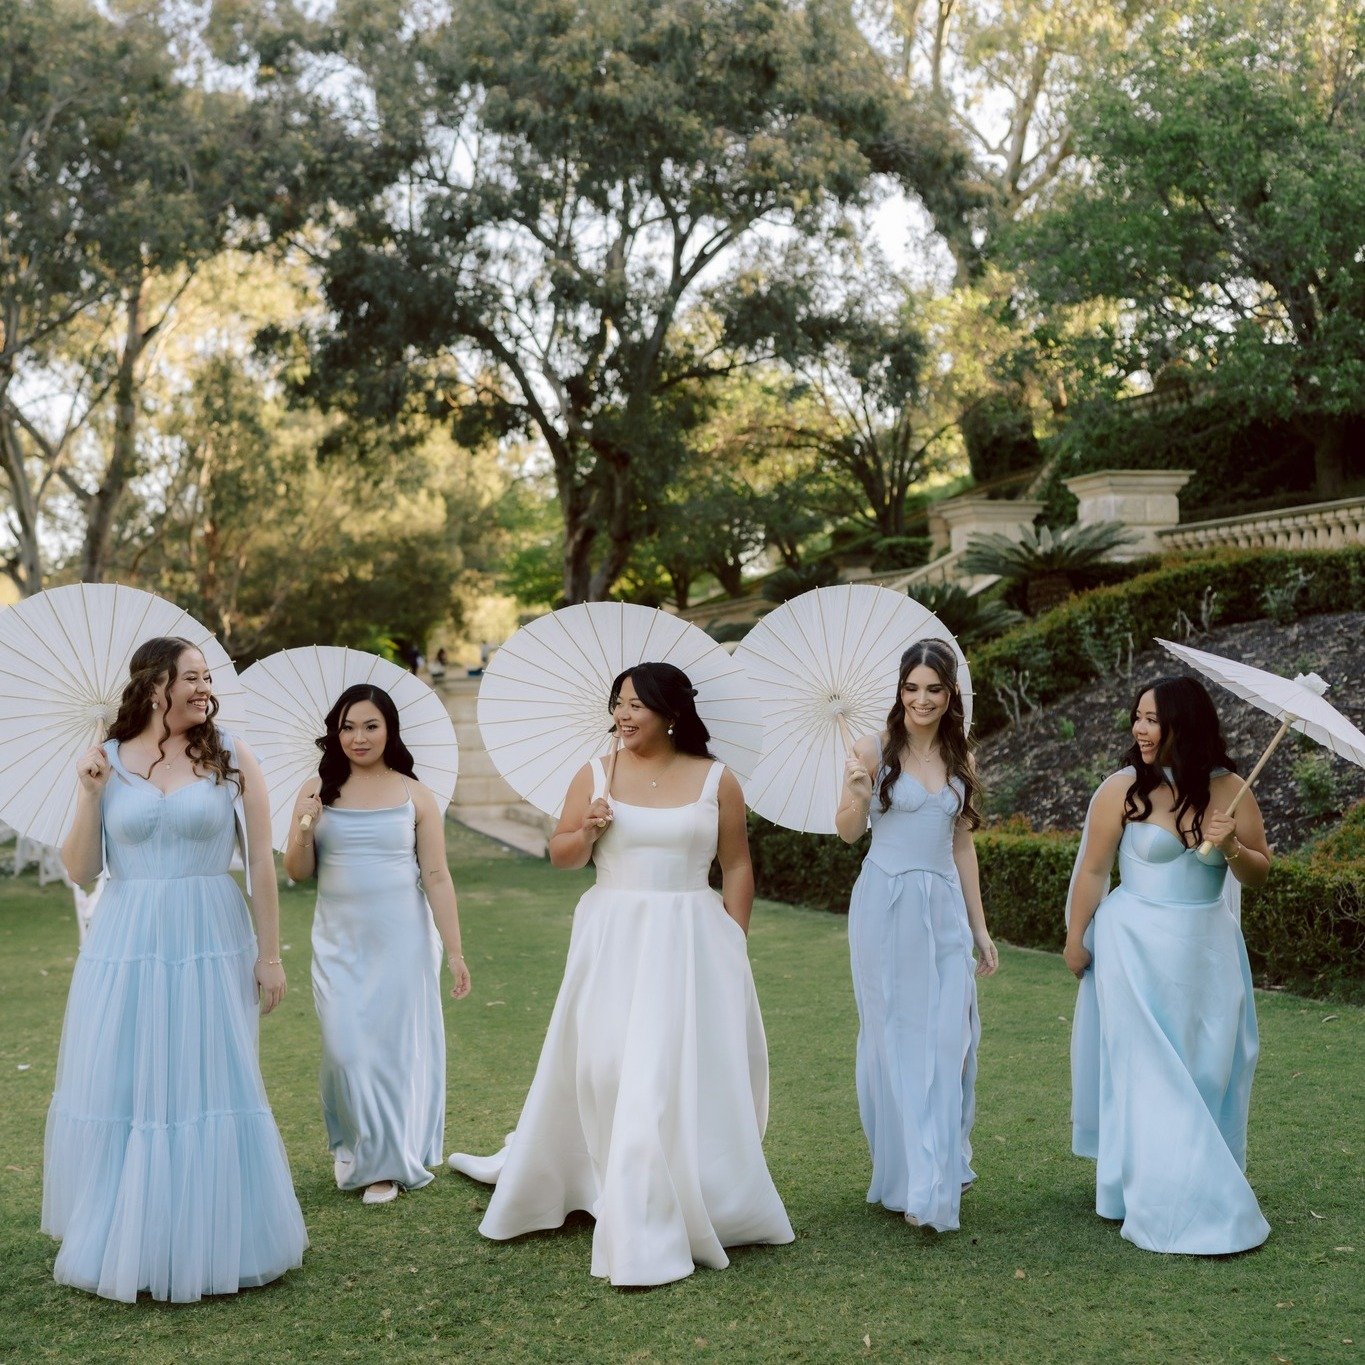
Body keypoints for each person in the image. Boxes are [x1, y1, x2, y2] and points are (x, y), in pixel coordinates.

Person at [448, 662, 793, 1286]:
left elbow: (737, 867)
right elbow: (561, 856)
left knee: (663, 1073)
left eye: (636, 704)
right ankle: (592, 1177)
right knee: (601, 1064)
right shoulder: (594, 774)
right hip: (612, 936)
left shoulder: (718, 779)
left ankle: (660, 1207)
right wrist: (589, 827)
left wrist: (732, 942)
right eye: (619, 704)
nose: (624, 716)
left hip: (690, 940)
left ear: (671, 712)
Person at [44, 637, 307, 1302]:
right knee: (130, 1083)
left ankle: (220, 1237)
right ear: (155, 684)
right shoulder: (102, 760)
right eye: (191, 675)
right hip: (127, 940)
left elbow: (260, 869)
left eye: (206, 676)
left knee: (209, 1078)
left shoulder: (230, 756)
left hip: (211, 938)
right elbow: (80, 870)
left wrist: (269, 954)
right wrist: (88, 795)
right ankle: (128, 1233)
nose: (203, 686)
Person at [1064, 675, 1271, 1254]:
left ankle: (1195, 1173)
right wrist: (1076, 936)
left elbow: (1258, 872)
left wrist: (1229, 845)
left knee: (1205, 1069)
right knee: (1147, 1071)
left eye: (1153, 719)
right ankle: (1149, 1191)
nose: (1140, 729)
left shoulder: (1231, 789)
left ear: (1186, 722)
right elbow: (1093, 871)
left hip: (1206, 952)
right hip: (1131, 949)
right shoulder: (1121, 790)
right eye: (1138, 718)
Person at [283, 684, 471, 1206]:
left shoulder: (415, 794)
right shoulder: (316, 789)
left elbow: (436, 875)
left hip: (404, 941)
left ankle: (384, 1165)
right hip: (339, 942)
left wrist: (454, 951)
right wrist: (305, 827)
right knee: (346, 1050)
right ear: (333, 732)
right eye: (347, 726)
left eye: (369, 726)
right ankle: (355, 1142)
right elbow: (298, 873)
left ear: (389, 730)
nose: (357, 737)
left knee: (391, 1054)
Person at [835, 637, 998, 1233]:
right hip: (885, 904)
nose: (921, 700)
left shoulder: (961, 757)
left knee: (949, 1039)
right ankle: (912, 1178)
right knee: (896, 1037)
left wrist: (979, 928)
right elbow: (849, 834)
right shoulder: (871, 749)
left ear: (950, 694)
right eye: (911, 688)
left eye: (933, 689)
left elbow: (961, 843)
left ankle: (939, 1163)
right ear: (899, 690)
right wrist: (856, 794)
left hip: (944, 908)